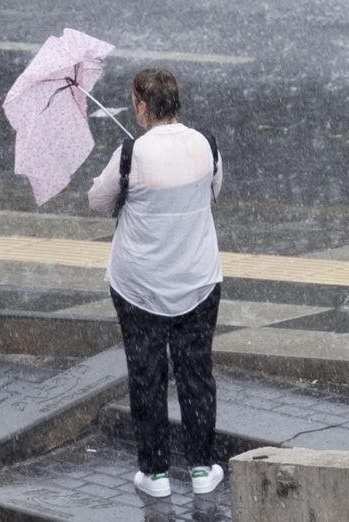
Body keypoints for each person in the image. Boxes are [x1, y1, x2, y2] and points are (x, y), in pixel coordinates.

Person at [87, 67, 224, 499]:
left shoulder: (130, 154)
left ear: (142, 106)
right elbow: (213, 191)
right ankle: (202, 467)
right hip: (198, 281)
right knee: (196, 372)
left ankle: (156, 472)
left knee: (147, 375)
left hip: (140, 287)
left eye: (134, 101)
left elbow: (98, 202)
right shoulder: (206, 144)